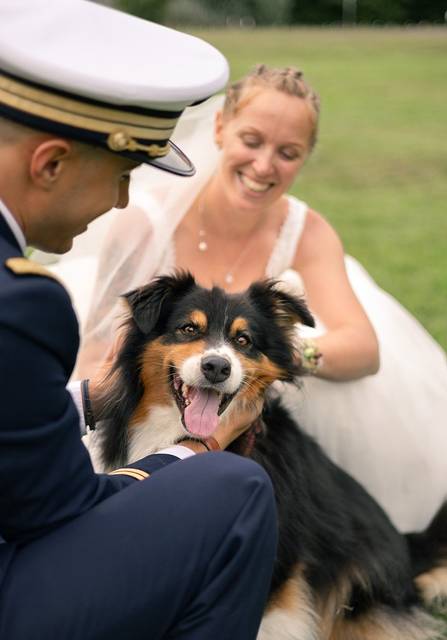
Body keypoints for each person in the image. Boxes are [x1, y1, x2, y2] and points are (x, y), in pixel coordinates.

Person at [58, 64, 447, 533]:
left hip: (267, 407)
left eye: (288, 152)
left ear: (305, 157)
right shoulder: (142, 223)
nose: (264, 166)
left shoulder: (308, 231)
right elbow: (98, 349)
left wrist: (272, 355)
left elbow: (364, 348)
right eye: (252, 141)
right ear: (220, 128)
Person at [0, 2, 278, 639]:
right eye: (123, 173)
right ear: (50, 163)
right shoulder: (22, 303)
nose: (123, 200)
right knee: (235, 490)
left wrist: (90, 400)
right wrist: (194, 449)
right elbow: (60, 512)